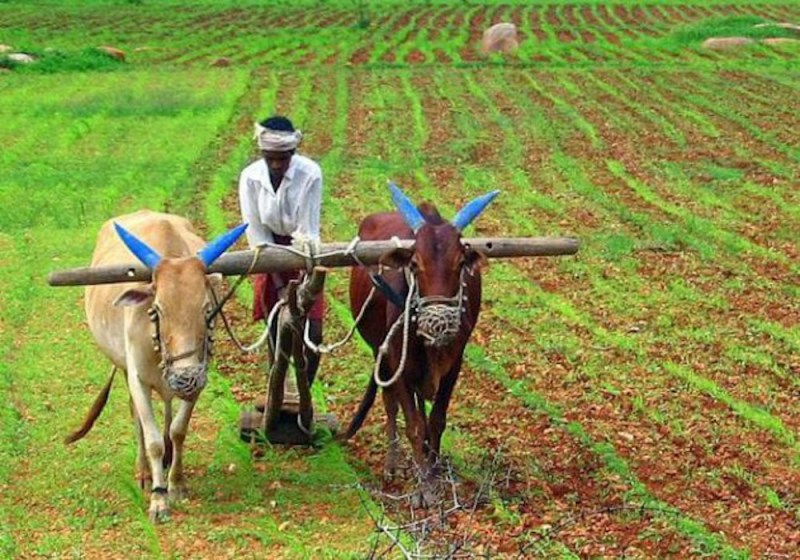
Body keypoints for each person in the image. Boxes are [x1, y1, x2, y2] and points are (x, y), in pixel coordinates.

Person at [238, 115, 324, 386]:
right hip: (268, 253)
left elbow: (307, 230)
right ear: (262, 153)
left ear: (293, 152)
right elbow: (257, 233)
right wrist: (277, 285)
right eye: (270, 157)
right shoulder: (250, 177)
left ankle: (303, 392)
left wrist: (303, 285)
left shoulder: (310, 173)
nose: (276, 164)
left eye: (283, 158)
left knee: (313, 332)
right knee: (276, 327)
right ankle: (278, 388)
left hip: (303, 252)